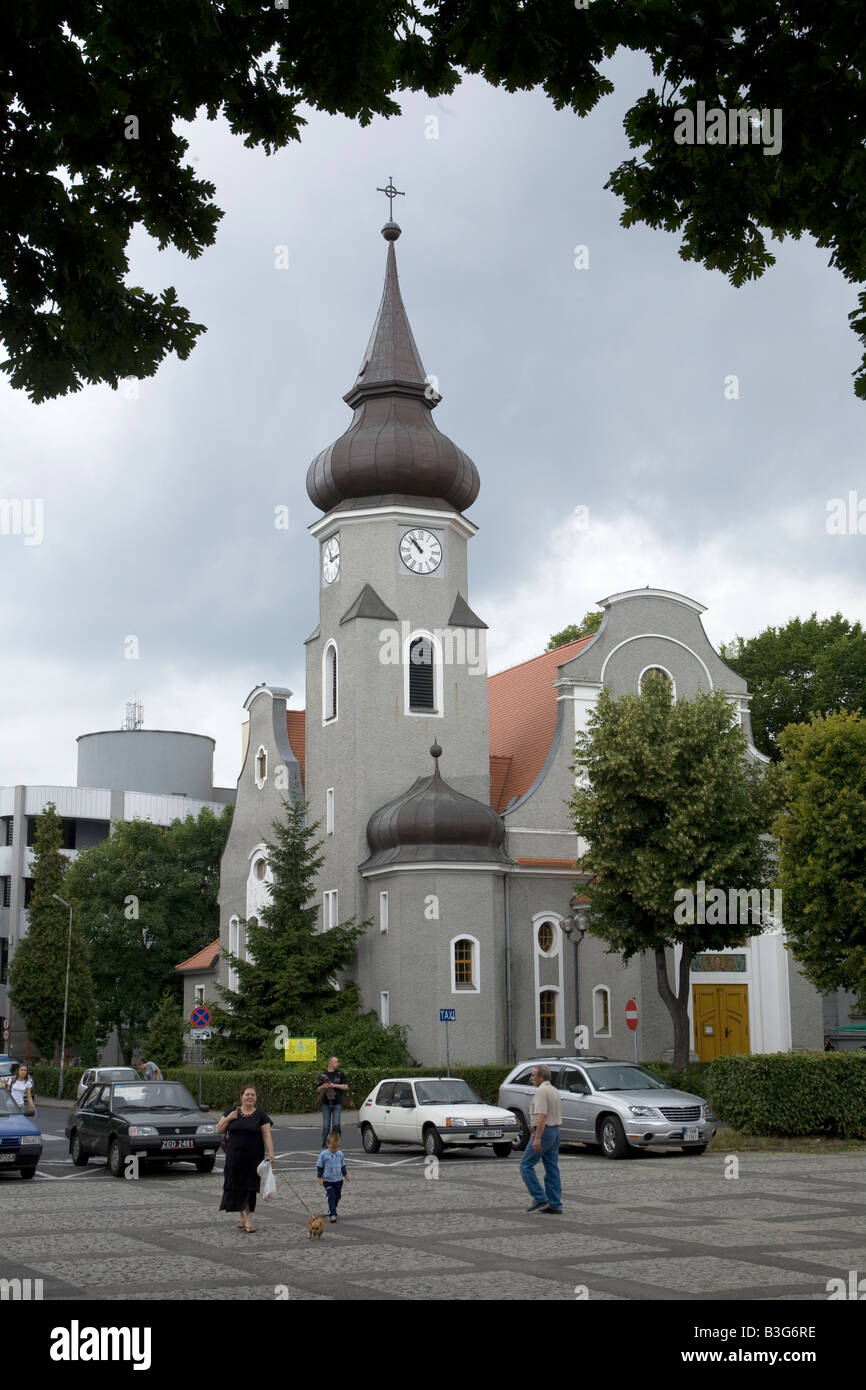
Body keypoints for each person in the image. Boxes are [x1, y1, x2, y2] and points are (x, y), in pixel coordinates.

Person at [216, 1084, 274, 1233]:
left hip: (253, 1159)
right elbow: (218, 1129)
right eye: (247, 1094)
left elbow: (267, 1135)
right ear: (241, 1096)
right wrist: (229, 1118)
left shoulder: (261, 1116)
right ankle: (241, 1214)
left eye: (252, 1095)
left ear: (256, 1098)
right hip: (234, 1157)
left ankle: (249, 1219)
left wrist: (271, 1152)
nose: (250, 1097)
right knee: (235, 1186)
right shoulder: (232, 1111)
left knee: (250, 1188)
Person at [519, 1064, 562, 1214]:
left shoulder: (541, 1091)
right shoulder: (554, 1090)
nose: (531, 1078)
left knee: (525, 1165)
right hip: (555, 1131)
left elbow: (542, 1115)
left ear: (541, 1077)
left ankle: (539, 1197)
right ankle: (555, 1203)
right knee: (552, 1169)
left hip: (545, 1132)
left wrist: (537, 1136)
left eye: (533, 1075)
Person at [317, 1130, 350, 1223]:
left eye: (337, 1147)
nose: (335, 1149)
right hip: (328, 1180)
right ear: (327, 1144)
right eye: (333, 1147)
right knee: (331, 1196)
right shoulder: (324, 1154)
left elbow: (342, 1165)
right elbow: (320, 1167)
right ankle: (332, 1214)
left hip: (338, 1180)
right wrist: (320, 1178)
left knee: (337, 1196)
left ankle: (332, 1209)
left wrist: (345, 1174)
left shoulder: (340, 1154)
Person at [315, 1055, 348, 1148]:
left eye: (337, 1062)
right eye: (335, 1062)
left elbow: (345, 1086)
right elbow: (317, 1089)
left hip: (337, 1102)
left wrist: (334, 1085)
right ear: (330, 1063)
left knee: (336, 1125)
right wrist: (323, 1086)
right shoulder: (323, 1074)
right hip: (326, 1103)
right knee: (326, 1126)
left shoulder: (340, 1074)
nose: (337, 1064)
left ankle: (337, 1144)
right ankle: (324, 1146)